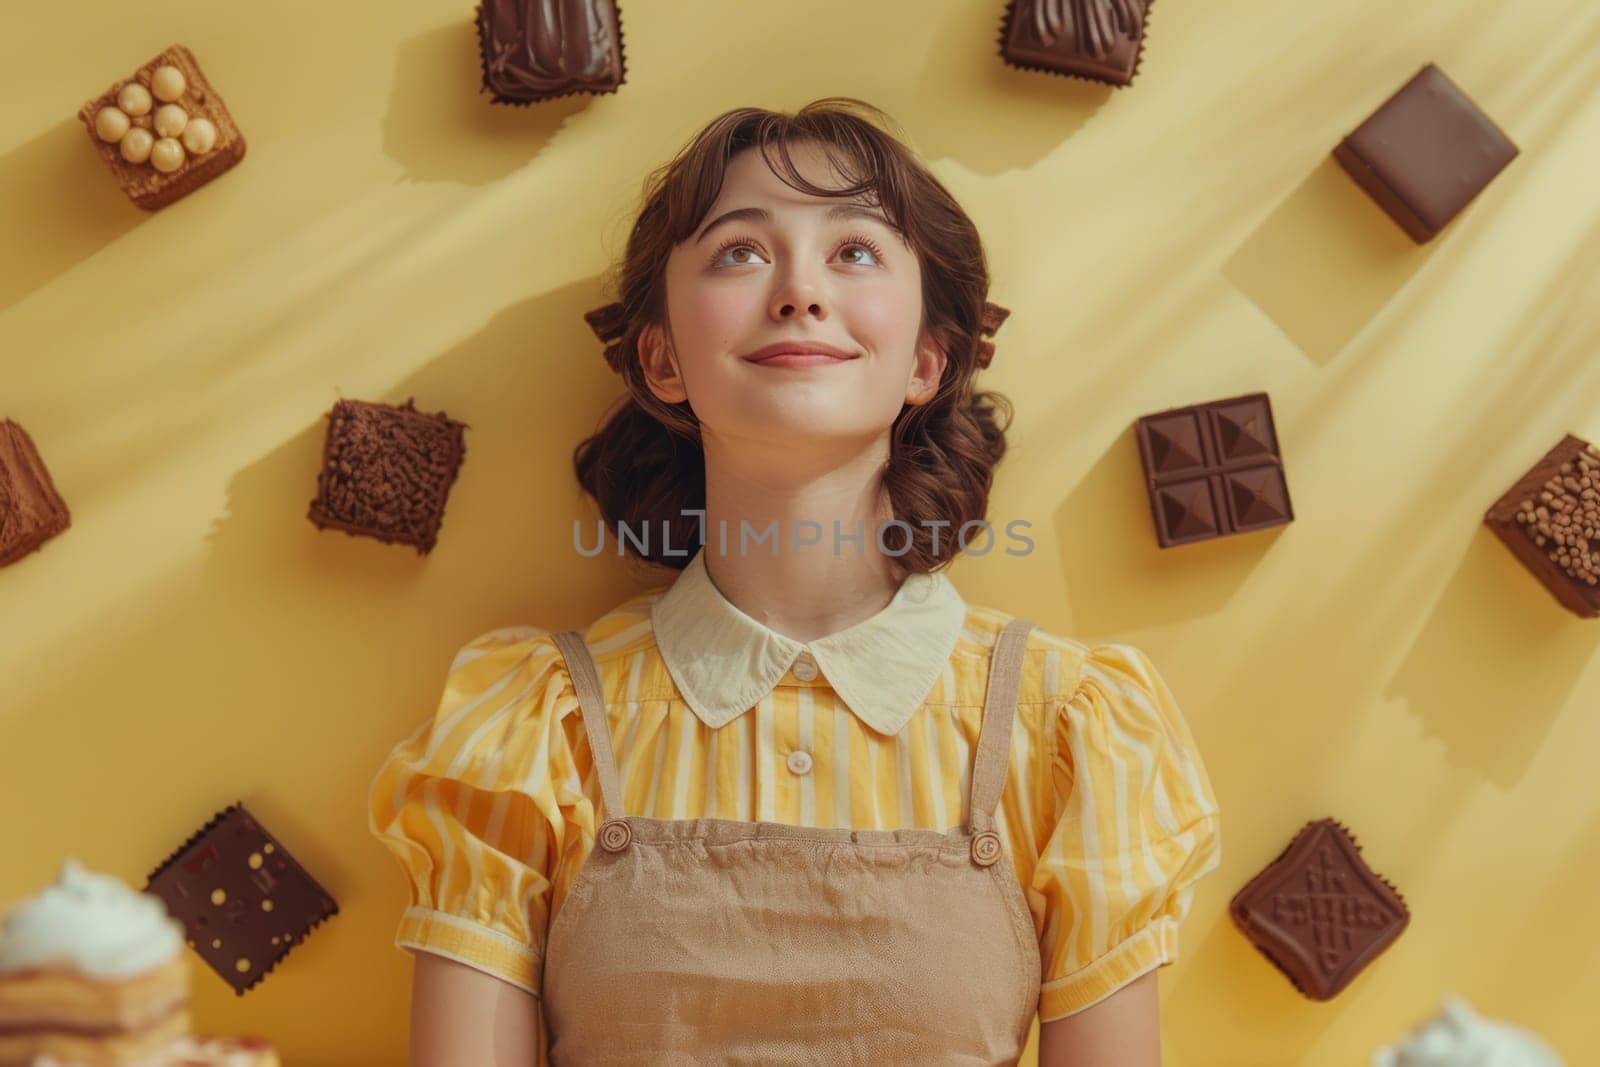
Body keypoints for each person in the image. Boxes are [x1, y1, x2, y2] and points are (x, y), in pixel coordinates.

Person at [368, 97, 1221, 1066]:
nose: (798, 291)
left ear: (925, 359)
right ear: (661, 358)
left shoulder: (1067, 728)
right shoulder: (530, 728)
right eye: (739, 251)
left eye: (854, 250)